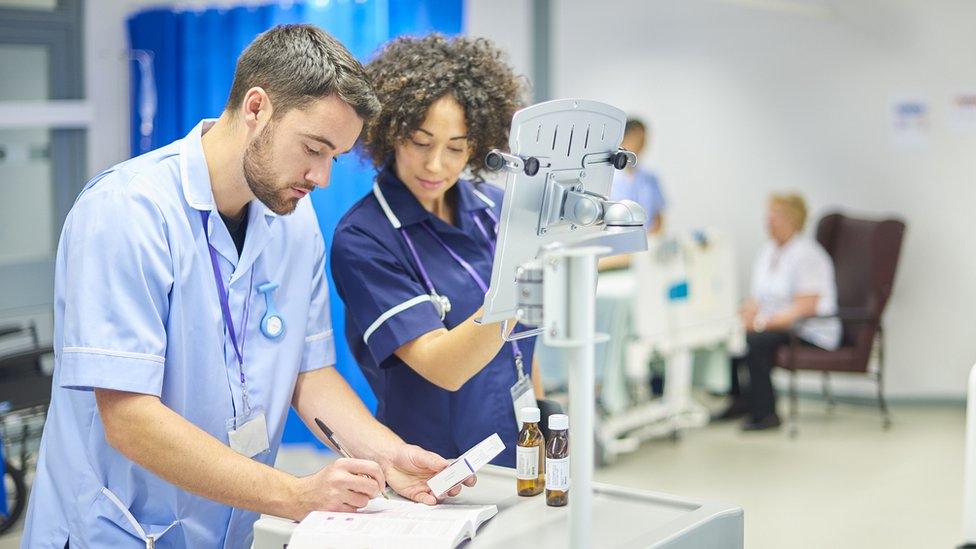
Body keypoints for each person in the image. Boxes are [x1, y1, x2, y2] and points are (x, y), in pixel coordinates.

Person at [23, 25, 471, 548]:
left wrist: (388, 457)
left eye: (335, 158)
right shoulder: (128, 211)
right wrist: (293, 495)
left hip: (226, 528)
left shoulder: (293, 221)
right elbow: (129, 418)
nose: (322, 177)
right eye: (313, 148)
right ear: (256, 108)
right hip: (117, 531)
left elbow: (310, 372)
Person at [330, 34, 541, 468]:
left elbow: (521, 342)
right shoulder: (365, 237)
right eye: (421, 142)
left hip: (517, 442)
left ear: (478, 145)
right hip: (431, 465)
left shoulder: (496, 211)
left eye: (456, 148)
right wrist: (520, 289)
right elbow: (443, 367)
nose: (436, 165)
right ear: (390, 132)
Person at [714, 192, 841, 431]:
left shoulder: (807, 254)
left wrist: (760, 324)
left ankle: (766, 413)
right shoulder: (768, 252)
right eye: (769, 215)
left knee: (755, 341)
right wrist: (742, 315)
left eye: (777, 215)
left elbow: (805, 307)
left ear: (794, 219)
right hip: (777, 323)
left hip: (809, 329)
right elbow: (757, 298)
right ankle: (739, 400)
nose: (770, 220)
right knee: (731, 332)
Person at [599, 117, 667, 271]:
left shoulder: (650, 178)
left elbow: (659, 218)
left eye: (644, 140)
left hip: (647, 250)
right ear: (624, 139)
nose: (642, 145)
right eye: (638, 139)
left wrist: (646, 242)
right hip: (615, 254)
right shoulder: (607, 180)